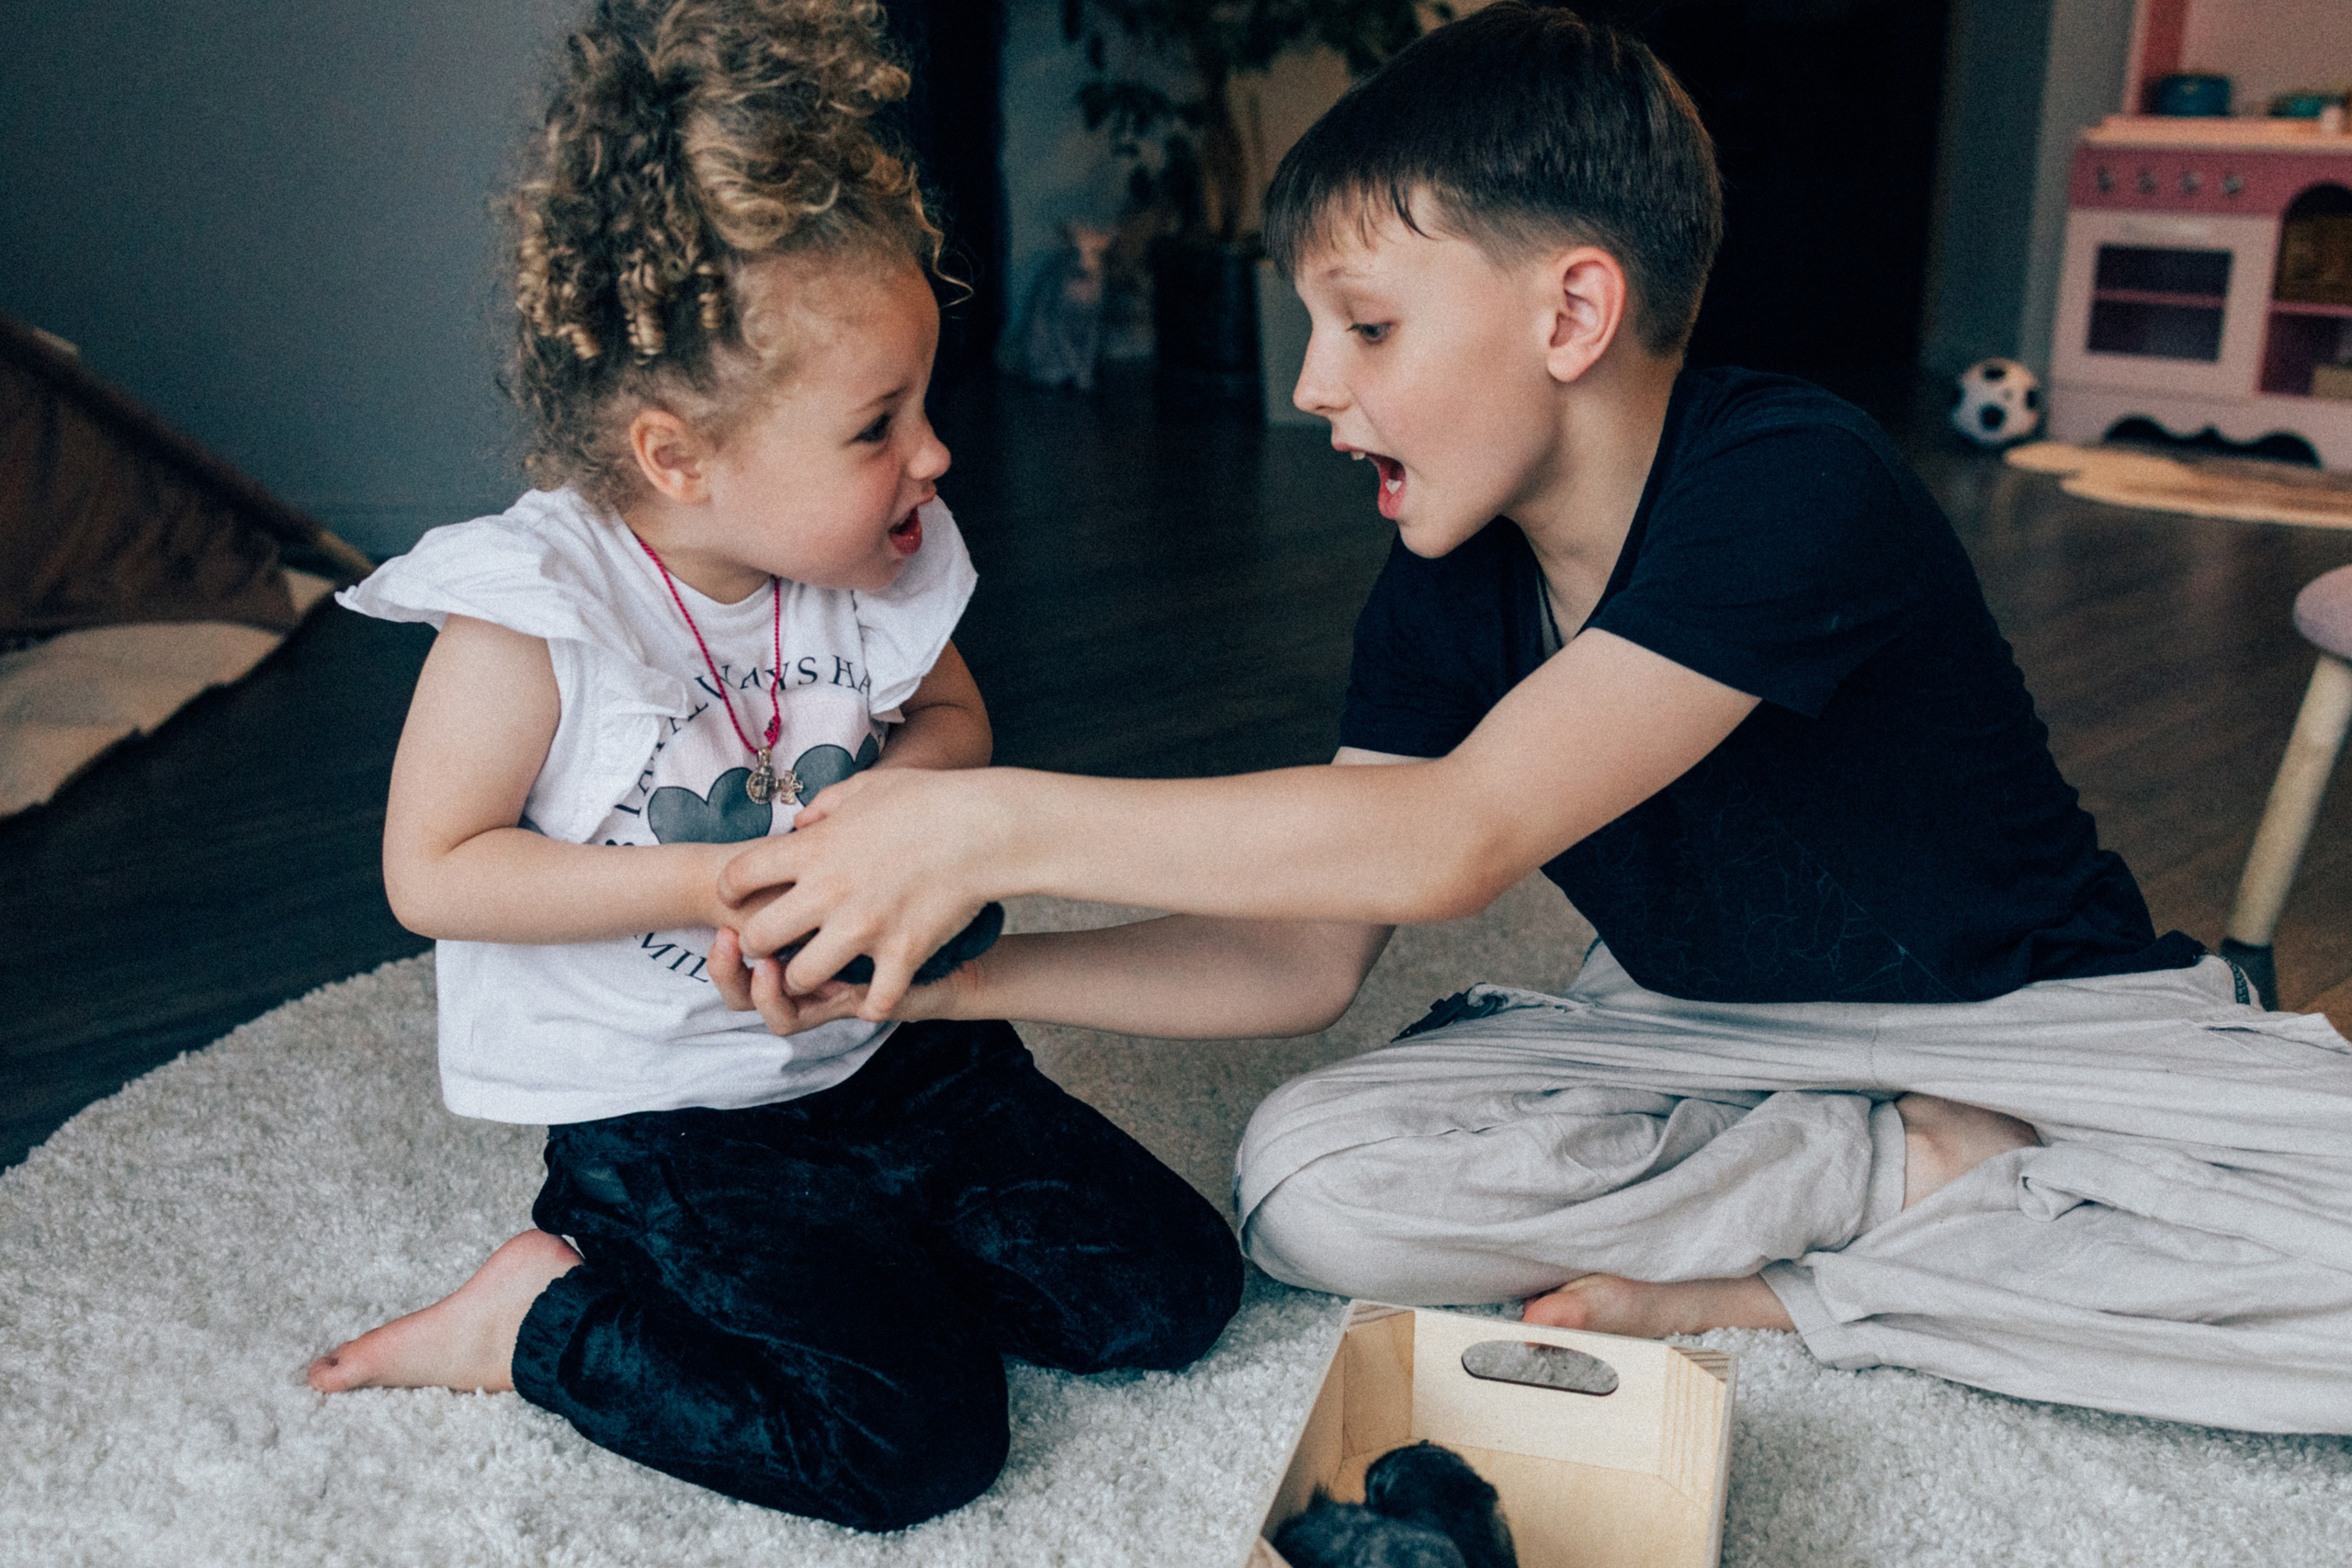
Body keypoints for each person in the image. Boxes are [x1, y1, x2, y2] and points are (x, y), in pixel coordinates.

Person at [712, 4, 2352, 1435]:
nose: (1311, 386)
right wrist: (942, 986)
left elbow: (1452, 836)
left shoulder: (1795, 481)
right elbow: (1301, 958)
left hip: (2042, 1020)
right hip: (1704, 1034)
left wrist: (992, 817)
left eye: (1365, 325)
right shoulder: (1446, 572)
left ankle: (1786, 1286)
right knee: (1311, 1191)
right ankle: (1898, 1185)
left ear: (1572, 314)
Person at [304, 0, 1240, 1529]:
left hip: (887, 1052)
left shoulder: (872, 559)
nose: (933, 457)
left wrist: (883, 812)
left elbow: (955, 729)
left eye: (922, 405)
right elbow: (436, 873)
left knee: (1172, 1294)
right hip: (671, 1115)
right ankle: (539, 1320)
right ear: (680, 456)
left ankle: (876, 1256)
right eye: (879, 427)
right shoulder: (535, 612)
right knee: (914, 1448)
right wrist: (722, 877)